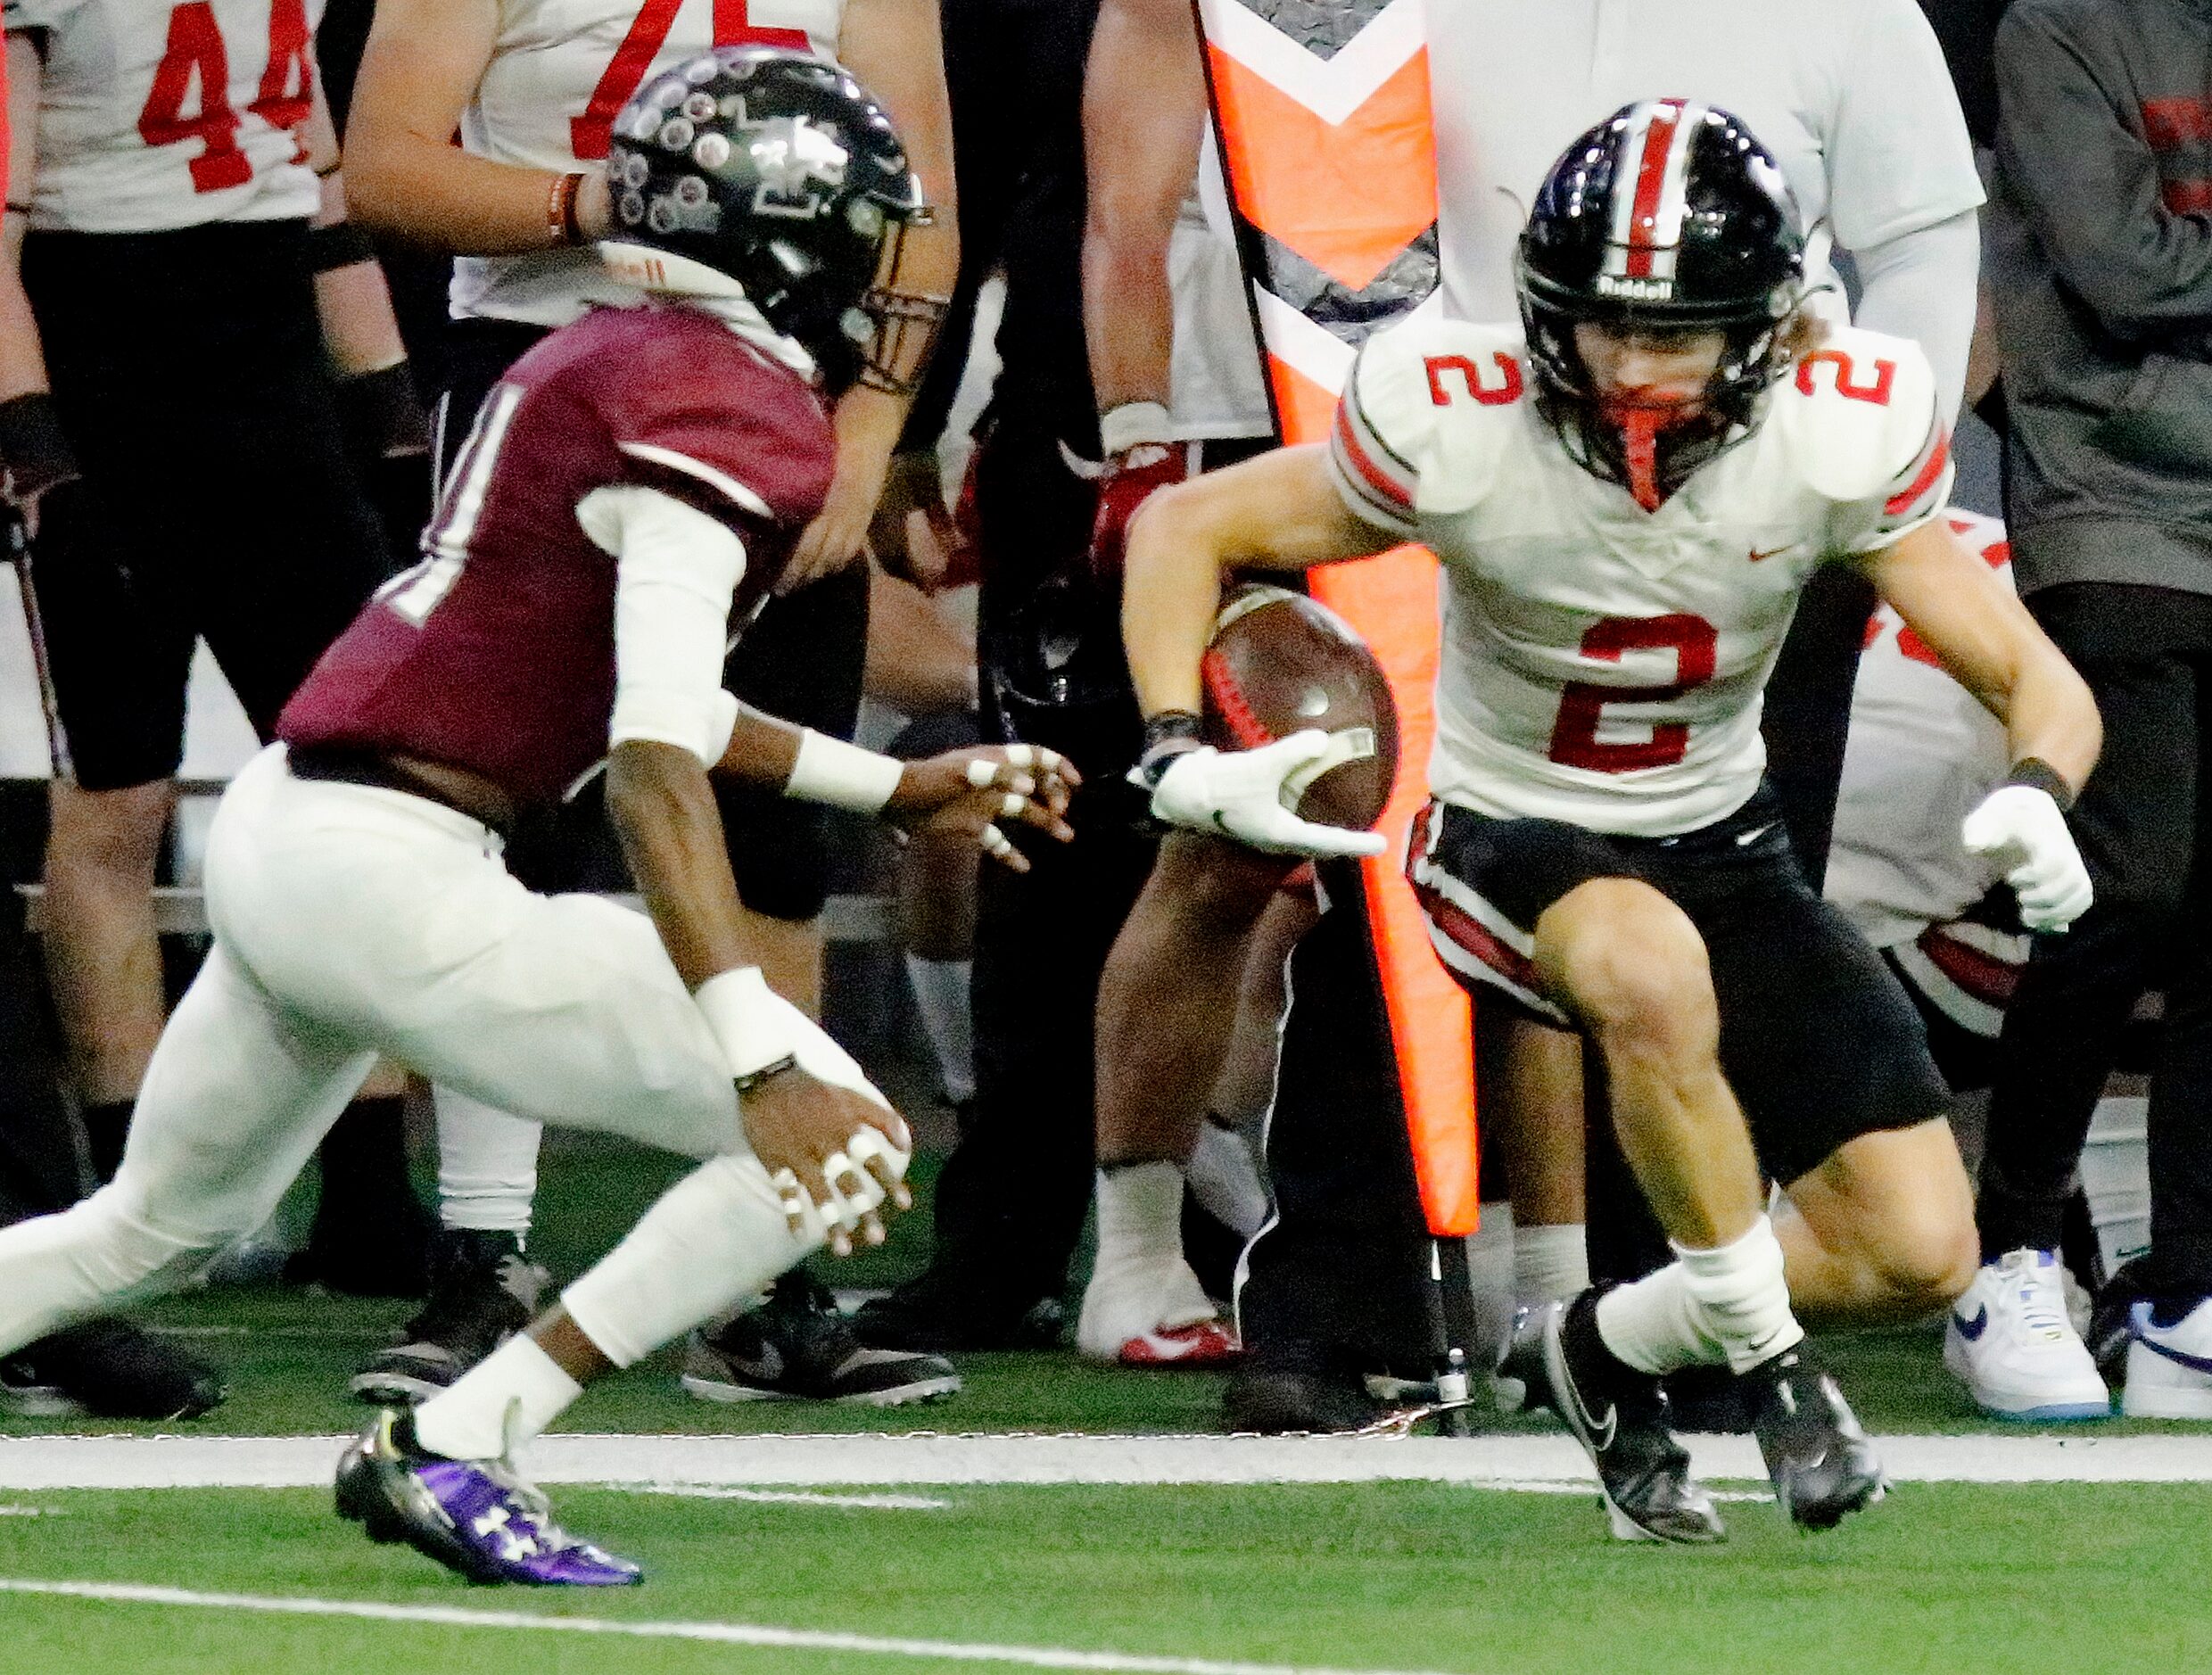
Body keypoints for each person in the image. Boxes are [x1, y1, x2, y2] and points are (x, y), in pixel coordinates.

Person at [0, 52, 1071, 1584]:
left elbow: (666, 699)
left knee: (144, 1232)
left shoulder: (604, 349)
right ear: (800, 238)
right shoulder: (727, 405)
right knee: (835, 1142)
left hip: (300, 832)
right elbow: (649, 761)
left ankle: (470, 1425)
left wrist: (890, 784)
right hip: (393, 871)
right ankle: (468, 1435)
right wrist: (760, 1050)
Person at [1120, 104, 2099, 1541]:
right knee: (1646, 972)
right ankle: (1774, 1375)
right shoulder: (1459, 419)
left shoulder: (1835, 434)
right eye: (1605, 329)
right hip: (1508, 830)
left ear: (1766, 330)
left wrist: (2039, 787)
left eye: (1679, 334)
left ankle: (1605, 1344)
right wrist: (1170, 745)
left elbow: (2030, 672)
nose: (1636, 370)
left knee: (1916, 1243)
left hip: (1719, 837)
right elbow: (1182, 528)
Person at [338, 0, 959, 1404]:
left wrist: (871, 426)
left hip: (779, 387)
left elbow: (920, 196)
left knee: (774, 845)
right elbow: (383, 163)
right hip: (554, 379)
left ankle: (757, 1267)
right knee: (507, 816)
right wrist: (618, 200)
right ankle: (486, 1242)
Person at [1969, 0, 2212, 1421]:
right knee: (2130, 882)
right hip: (2114, 505)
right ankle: (2012, 1241)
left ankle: (2189, 1282)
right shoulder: (2061, 26)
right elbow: (2121, 268)